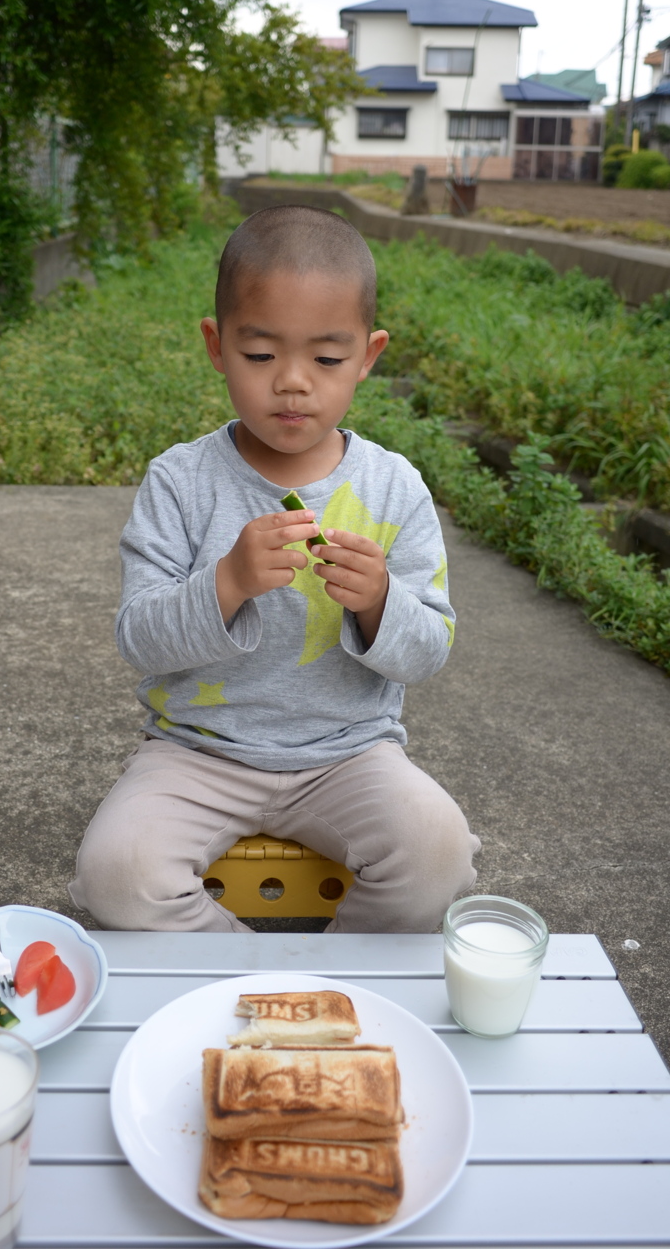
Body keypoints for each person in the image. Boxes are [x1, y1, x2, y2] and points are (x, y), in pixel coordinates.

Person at [70, 204, 478, 932]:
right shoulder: (181, 480)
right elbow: (139, 636)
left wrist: (380, 601)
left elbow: (428, 652)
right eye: (261, 355)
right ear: (217, 345)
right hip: (198, 753)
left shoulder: (393, 488)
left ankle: (333, 971)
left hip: (349, 754)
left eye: (326, 359)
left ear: (369, 355)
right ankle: (248, 972)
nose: (293, 383)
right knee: (117, 876)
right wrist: (226, 584)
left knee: (438, 856)